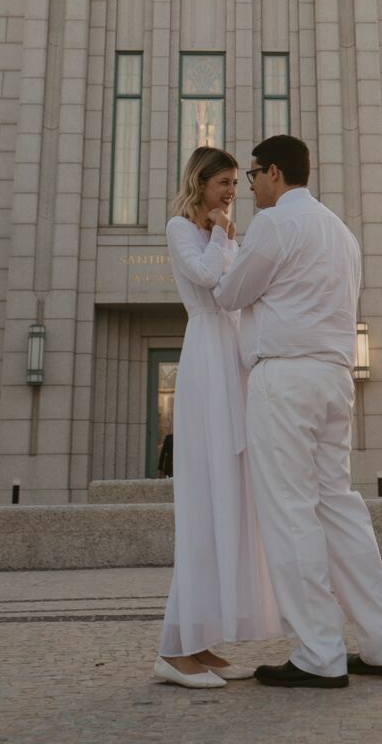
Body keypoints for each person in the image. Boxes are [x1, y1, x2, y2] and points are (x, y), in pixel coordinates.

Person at [213, 135, 382, 689]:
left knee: (290, 512)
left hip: (285, 379)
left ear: (275, 173)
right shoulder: (341, 232)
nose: (249, 185)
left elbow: (229, 294)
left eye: (253, 174)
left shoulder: (276, 224)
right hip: (334, 378)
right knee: (338, 508)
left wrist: (225, 245)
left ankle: (319, 655)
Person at [153, 146, 281, 689]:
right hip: (206, 354)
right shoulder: (182, 231)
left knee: (228, 502)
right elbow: (209, 280)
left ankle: (198, 642)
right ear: (200, 182)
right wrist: (223, 233)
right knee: (204, 502)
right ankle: (172, 650)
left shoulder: (227, 232)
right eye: (224, 182)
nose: (233, 191)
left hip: (233, 357)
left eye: (236, 182)